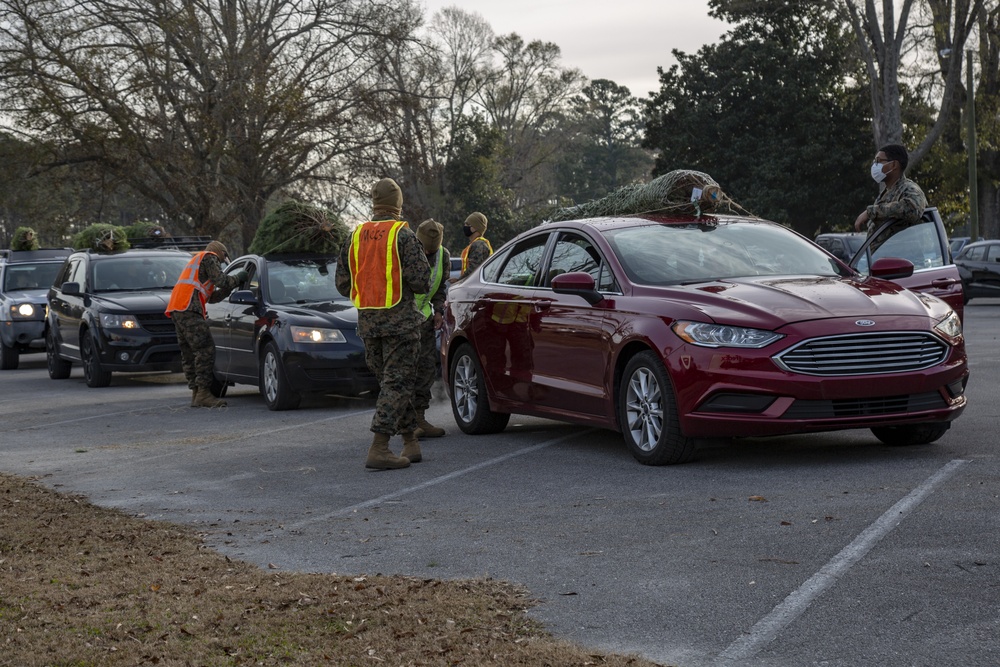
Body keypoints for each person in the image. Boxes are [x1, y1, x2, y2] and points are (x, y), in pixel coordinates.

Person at [336, 178, 430, 470]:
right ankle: (379, 447)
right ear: (398, 205)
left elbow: (341, 284)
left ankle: (410, 442)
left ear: (375, 204)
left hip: (368, 325)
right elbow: (422, 281)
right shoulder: (403, 235)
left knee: (392, 385)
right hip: (400, 325)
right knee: (397, 384)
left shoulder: (354, 236)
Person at [165, 241, 247, 408]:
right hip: (189, 308)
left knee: (189, 352)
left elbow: (213, 297)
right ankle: (203, 393)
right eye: (224, 258)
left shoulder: (197, 263)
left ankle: (196, 393)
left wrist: (229, 288)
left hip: (178, 307)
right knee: (205, 349)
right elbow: (221, 280)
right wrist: (238, 278)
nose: (223, 262)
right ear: (220, 252)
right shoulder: (210, 257)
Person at [412, 219, 450, 439]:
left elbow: (440, 288)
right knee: (405, 373)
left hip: (425, 320)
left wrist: (437, 311)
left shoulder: (443, 255)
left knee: (425, 370)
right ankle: (406, 423)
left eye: (431, 250)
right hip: (402, 321)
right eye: (424, 248)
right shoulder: (406, 252)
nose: (427, 252)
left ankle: (419, 418)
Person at [854, 144, 927, 236]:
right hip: (884, 250)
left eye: (878, 161)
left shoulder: (910, 189)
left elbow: (912, 209)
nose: (874, 165)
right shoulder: (886, 193)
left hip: (903, 250)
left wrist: (871, 212)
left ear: (893, 165)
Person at [456, 212, 492, 281]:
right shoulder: (477, 244)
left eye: (467, 224)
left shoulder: (479, 245)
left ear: (475, 228)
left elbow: (474, 269)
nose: (465, 226)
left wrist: (459, 281)